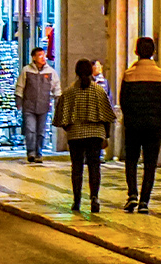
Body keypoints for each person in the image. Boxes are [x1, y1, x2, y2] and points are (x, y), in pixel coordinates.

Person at [52, 58, 116, 214]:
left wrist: (71, 129)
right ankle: (94, 197)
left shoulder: (69, 92)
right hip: (95, 134)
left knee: (77, 168)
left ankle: (77, 200)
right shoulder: (99, 91)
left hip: (76, 135)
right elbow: (107, 116)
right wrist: (106, 136)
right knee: (95, 167)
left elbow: (61, 118)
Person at [118, 37, 161, 213]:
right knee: (150, 163)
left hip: (133, 124)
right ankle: (144, 201)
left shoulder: (129, 75)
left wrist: (129, 117)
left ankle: (132, 193)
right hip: (154, 124)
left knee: (131, 160)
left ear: (136, 52)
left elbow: (123, 101)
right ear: (153, 52)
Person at [16, 47, 61, 163]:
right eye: (40, 55)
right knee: (30, 129)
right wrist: (18, 101)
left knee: (41, 131)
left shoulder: (50, 72)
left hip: (44, 106)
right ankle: (30, 152)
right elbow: (20, 87)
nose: (43, 57)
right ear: (34, 58)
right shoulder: (26, 71)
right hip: (29, 106)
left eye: (43, 55)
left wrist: (58, 100)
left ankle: (39, 153)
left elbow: (56, 87)